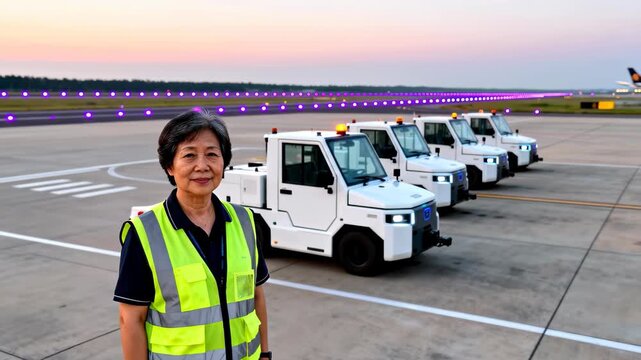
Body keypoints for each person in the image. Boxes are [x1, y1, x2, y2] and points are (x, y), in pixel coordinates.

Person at [114, 109, 271, 360]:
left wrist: (264, 354)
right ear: (170, 166)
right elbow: (131, 318)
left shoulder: (245, 222)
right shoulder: (144, 234)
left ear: (223, 162)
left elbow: (257, 297)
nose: (202, 166)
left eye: (212, 154)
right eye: (189, 155)